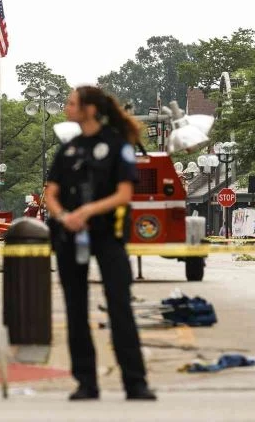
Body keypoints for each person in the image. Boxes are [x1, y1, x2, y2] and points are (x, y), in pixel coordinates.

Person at [44, 86, 156, 401]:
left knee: (119, 305)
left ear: (90, 109)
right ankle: (86, 382)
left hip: (108, 235)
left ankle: (135, 382)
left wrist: (87, 211)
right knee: (75, 309)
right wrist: (64, 216)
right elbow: (50, 193)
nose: (66, 108)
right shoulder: (68, 150)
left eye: (71, 103)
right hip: (70, 237)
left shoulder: (117, 145)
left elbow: (124, 194)